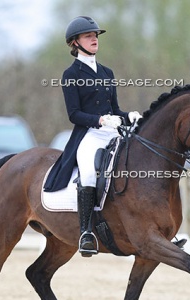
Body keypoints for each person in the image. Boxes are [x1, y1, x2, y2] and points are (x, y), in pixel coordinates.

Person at [44, 16, 141, 257]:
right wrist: (100, 120)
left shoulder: (107, 72)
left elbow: (115, 109)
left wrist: (130, 116)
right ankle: (86, 232)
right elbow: (74, 114)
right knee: (88, 174)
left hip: (113, 133)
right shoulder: (71, 74)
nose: (94, 39)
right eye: (89, 36)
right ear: (75, 43)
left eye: (95, 35)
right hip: (89, 135)